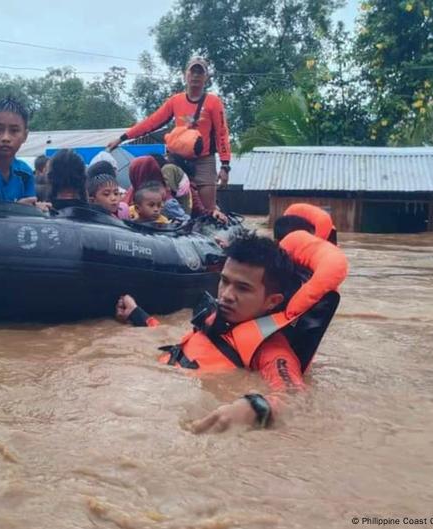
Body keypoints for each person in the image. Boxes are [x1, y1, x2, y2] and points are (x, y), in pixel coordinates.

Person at [115, 225, 347, 432]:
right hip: (137, 399)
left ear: (272, 301)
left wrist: (254, 408)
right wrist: (138, 315)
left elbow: (297, 399)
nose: (226, 295)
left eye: (243, 288)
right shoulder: (217, 320)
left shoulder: (272, 352)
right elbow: (183, 345)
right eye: (225, 281)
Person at [107, 56, 232, 214]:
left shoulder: (213, 102)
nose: (195, 76)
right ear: (185, 75)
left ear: (206, 77)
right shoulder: (176, 101)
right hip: (176, 160)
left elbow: (222, 133)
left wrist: (225, 166)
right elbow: (151, 122)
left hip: (203, 161)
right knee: (161, 191)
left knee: (208, 209)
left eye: (200, 72)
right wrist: (123, 138)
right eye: (192, 72)